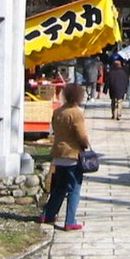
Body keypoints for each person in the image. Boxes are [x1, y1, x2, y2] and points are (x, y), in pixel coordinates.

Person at [39, 83, 91, 231]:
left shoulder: (58, 112)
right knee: (74, 188)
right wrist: (86, 144)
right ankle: (70, 220)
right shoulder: (76, 113)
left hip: (58, 154)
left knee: (60, 187)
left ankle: (48, 214)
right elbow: (81, 134)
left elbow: (55, 129)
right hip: (72, 155)